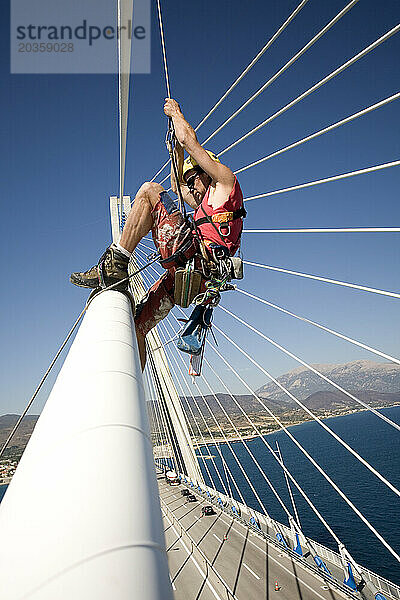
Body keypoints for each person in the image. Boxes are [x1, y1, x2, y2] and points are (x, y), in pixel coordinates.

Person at [70, 99, 245, 368]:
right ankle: (136, 395)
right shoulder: (204, 205)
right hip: (187, 277)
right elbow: (176, 185)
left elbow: (190, 142)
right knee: (137, 326)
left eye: (193, 179)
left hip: (193, 262)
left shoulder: (225, 183)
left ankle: (116, 262)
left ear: (206, 171)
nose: (191, 188)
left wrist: (176, 114)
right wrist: (175, 148)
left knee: (150, 190)